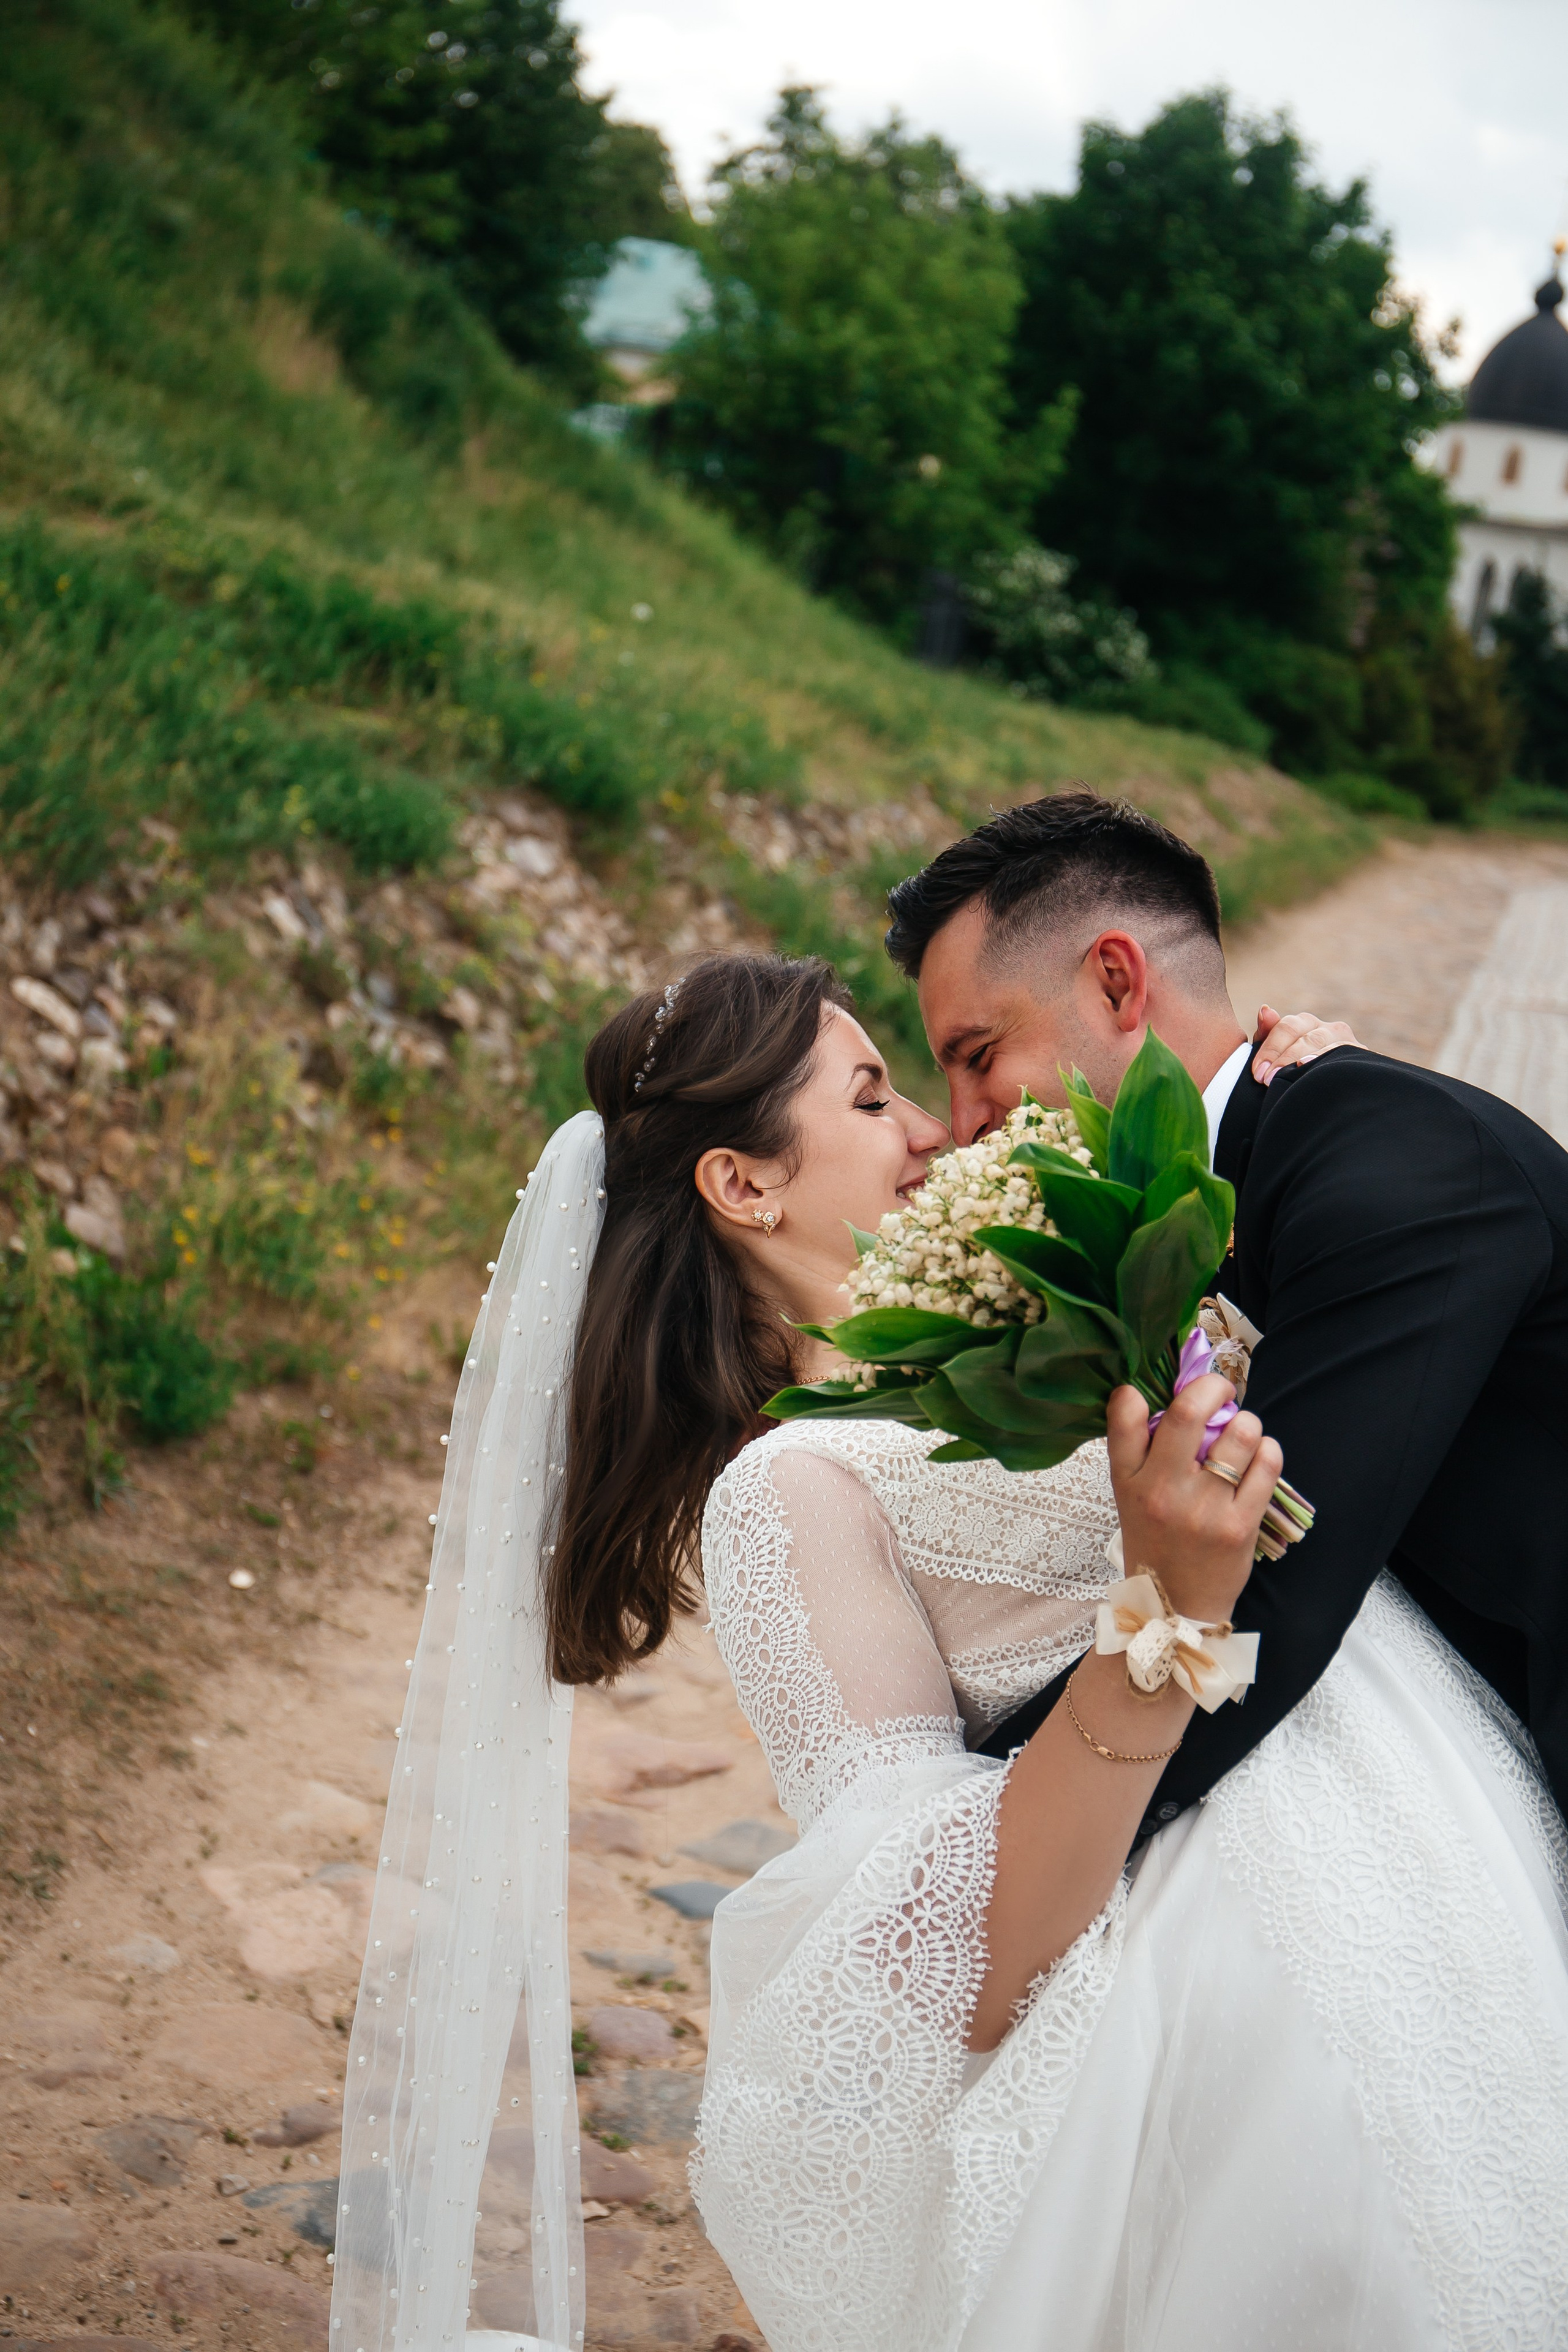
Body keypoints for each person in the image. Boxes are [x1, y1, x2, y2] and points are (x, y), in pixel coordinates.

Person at [329, 949, 1568, 2352]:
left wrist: (1283, 1097)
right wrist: (1163, 1610)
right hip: (1230, 1964)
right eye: (869, 1097)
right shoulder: (791, 1492)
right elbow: (959, 1948)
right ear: (743, 1185)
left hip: (1436, 1827)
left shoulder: (1043, 1303)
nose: (931, 1127)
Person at [884, 790, 1568, 1836]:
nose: (966, 1122)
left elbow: (1264, 1607)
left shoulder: (1393, 1171)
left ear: (1117, 979)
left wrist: (968, 1828)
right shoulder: (1218, 1182)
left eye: (978, 1056)